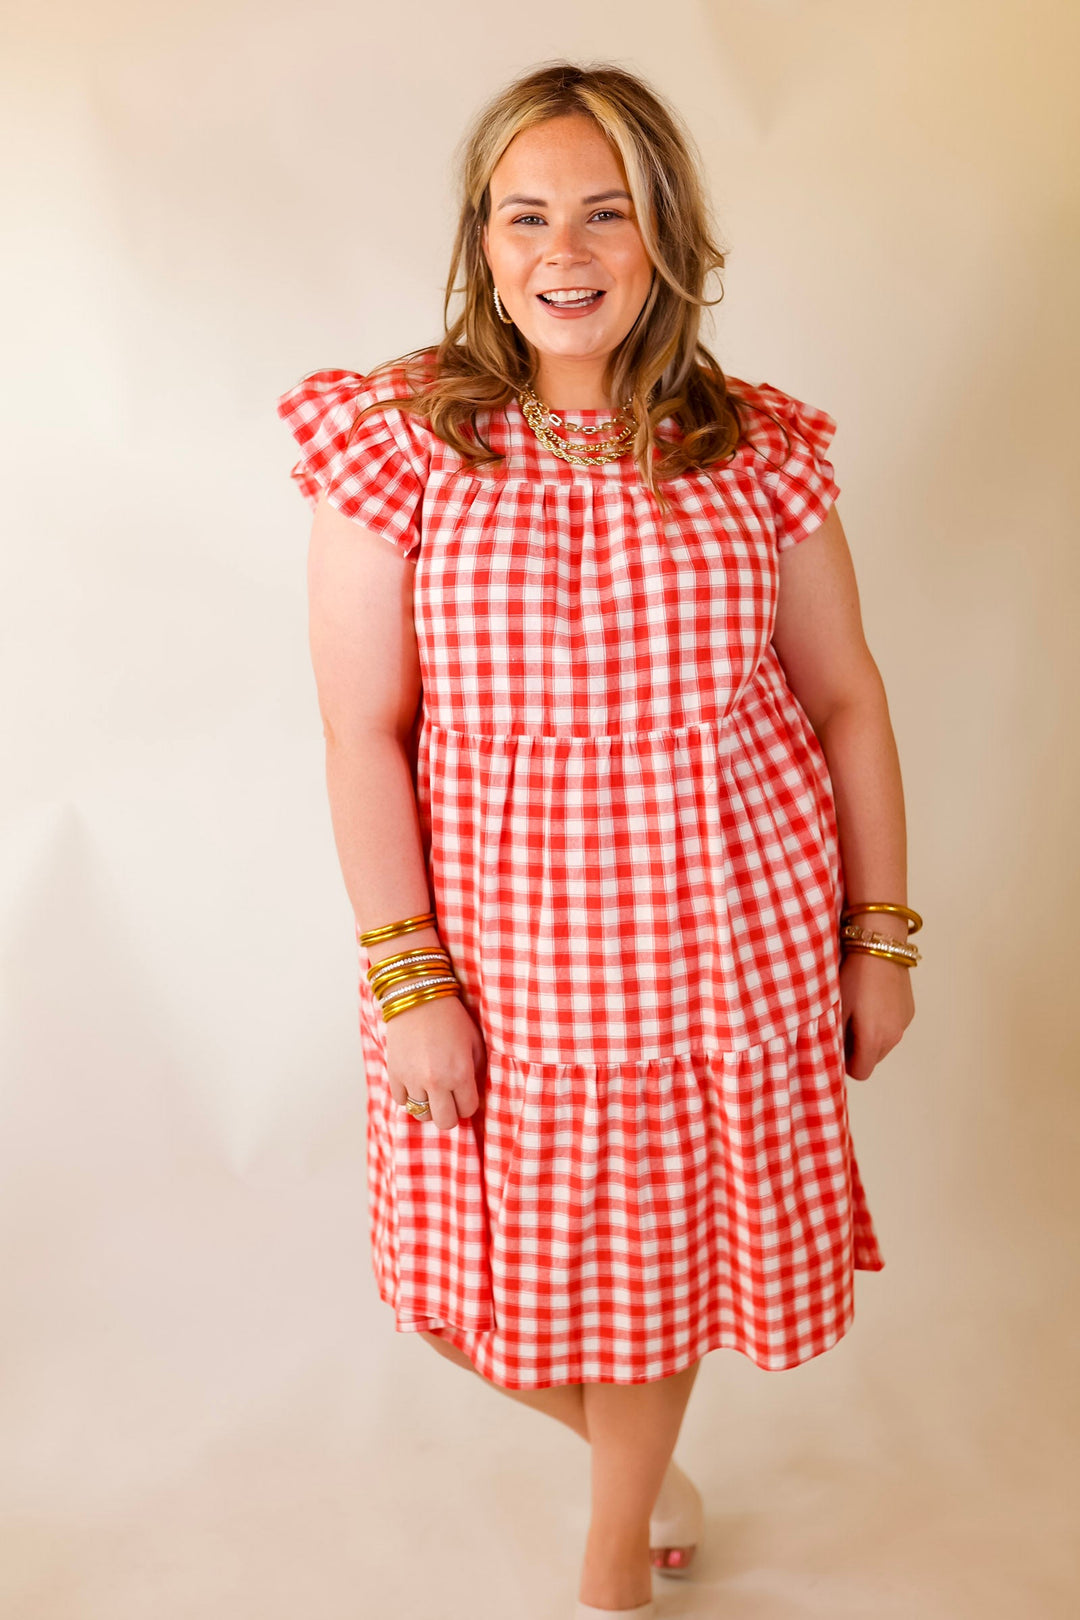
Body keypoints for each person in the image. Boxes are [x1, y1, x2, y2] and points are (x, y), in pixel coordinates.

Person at [276, 60, 919, 1620]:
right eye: (526, 215)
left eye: (607, 212)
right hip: (502, 958)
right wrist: (408, 978)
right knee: (458, 1294)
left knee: (655, 1278)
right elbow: (364, 728)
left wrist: (881, 936)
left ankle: (613, 1555)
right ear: (483, 242)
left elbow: (844, 698)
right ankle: (644, 1472)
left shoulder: (759, 446)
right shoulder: (402, 439)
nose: (565, 250)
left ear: (666, 235)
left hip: (726, 944)